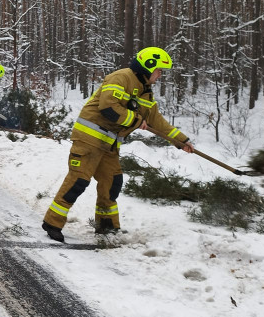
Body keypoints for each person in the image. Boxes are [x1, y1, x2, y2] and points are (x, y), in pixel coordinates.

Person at [41, 47, 194, 242]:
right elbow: (108, 107)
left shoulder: (146, 93)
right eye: (159, 70)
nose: (160, 75)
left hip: (109, 146)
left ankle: (106, 226)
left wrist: (181, 141)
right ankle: (52, 222)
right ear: (148, 66)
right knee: (78, 181)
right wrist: (136, 120)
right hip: (88, 140)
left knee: (112, 183)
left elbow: (157, 121)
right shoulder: (120, 78)